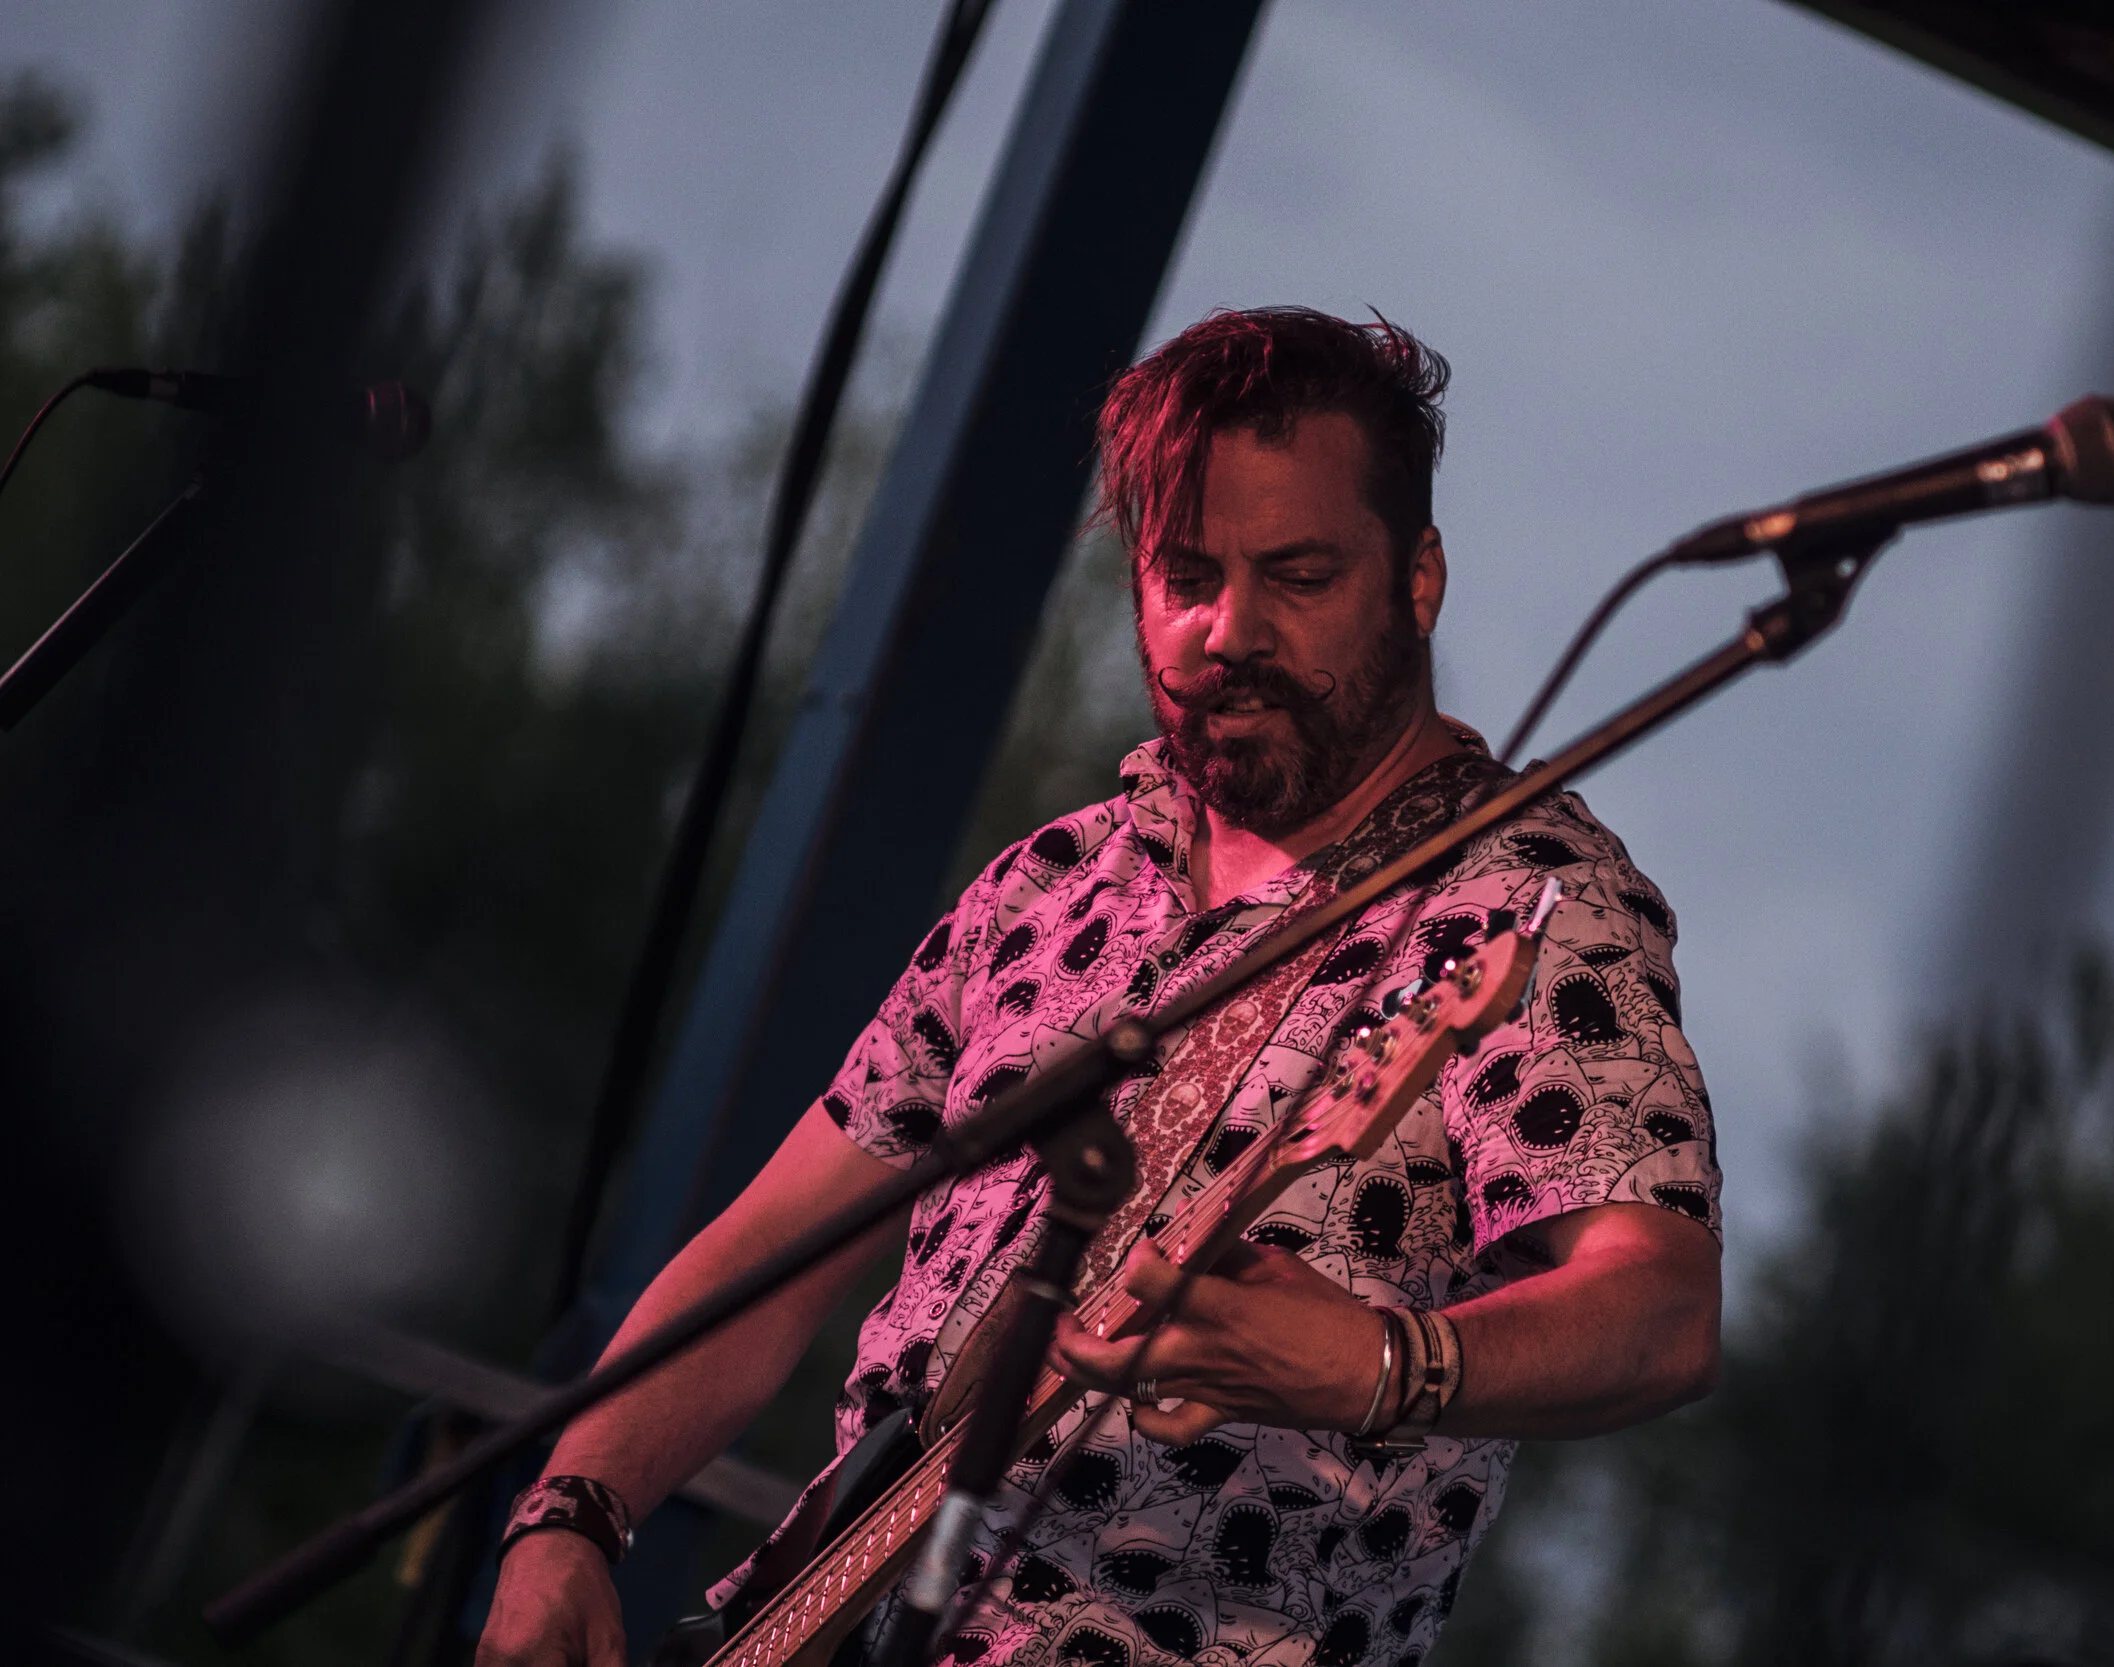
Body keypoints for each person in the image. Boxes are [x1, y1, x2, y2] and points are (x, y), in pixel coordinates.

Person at [479, 308, 1722, 1667]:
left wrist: (1383, 1360)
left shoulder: (1527, 901)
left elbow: (1658, 1309)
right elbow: (771, 1260)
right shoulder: (1052, 882)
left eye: (1298, 575)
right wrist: (571, 1515)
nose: (1230, 630)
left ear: (1416, 579)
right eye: (1186, 576)